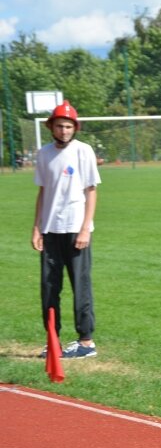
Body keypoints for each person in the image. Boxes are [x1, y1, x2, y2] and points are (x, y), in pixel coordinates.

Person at [31, 100, 102, 359]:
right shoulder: (44, 154)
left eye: (69, 126)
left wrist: (86, 228)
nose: (64, 131)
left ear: (75, 128)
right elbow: (42, 191)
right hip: (50, 230)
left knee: (80, 286)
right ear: (52, 127)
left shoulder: (84, 151)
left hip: (75, 229)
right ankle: (53, 340)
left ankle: (86, 342)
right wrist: (37, 228)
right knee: (49, 287)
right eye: (60, 126)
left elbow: (91, 190)